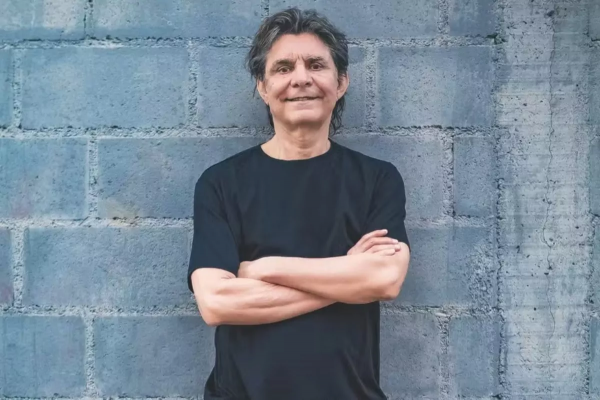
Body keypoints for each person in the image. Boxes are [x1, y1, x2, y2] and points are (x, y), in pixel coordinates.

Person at [187, 7, 411, 400]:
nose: (301, 78)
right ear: (263, 86)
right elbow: (217, 303)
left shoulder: (377, 179)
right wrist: (347, 276)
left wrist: (264, 268)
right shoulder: (221, 184)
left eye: (316, 65)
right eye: (284, 67)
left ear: (341, 82)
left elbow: (384, 280)